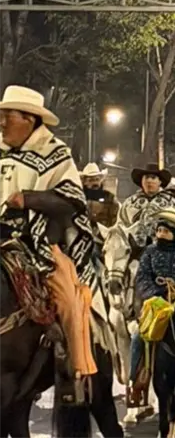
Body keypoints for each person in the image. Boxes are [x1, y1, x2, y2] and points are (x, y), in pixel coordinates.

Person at [0, 85, 99, 402]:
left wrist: (28, 198)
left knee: (70, 298)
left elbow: (72, 200)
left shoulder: (56, 153)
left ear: (28, 119)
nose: (1, 123)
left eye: (7, 117)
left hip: (35, 242)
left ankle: (73, 370)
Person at [128, 208, 175, 407]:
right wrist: (156, 293)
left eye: (166, 231)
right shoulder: (149, 252)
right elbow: (142, 278)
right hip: (156, 303)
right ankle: (135, 381)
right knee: (138, 336)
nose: (161, 234)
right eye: (159, 230)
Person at [119, 163, 175, 246]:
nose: (149, 180)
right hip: (133, 250)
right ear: (141, 181)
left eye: (153, 178)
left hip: (164, 249)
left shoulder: (172, 202)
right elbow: (121, 226)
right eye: (146, 177)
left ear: (160, 181)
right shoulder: (129, 203)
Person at [81, 163, 119, 228]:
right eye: (91, 180)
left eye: (97, 179)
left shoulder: (110, 199)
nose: (95, 183)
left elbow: (114, 223)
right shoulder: (79, 198)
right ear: (85, 182)